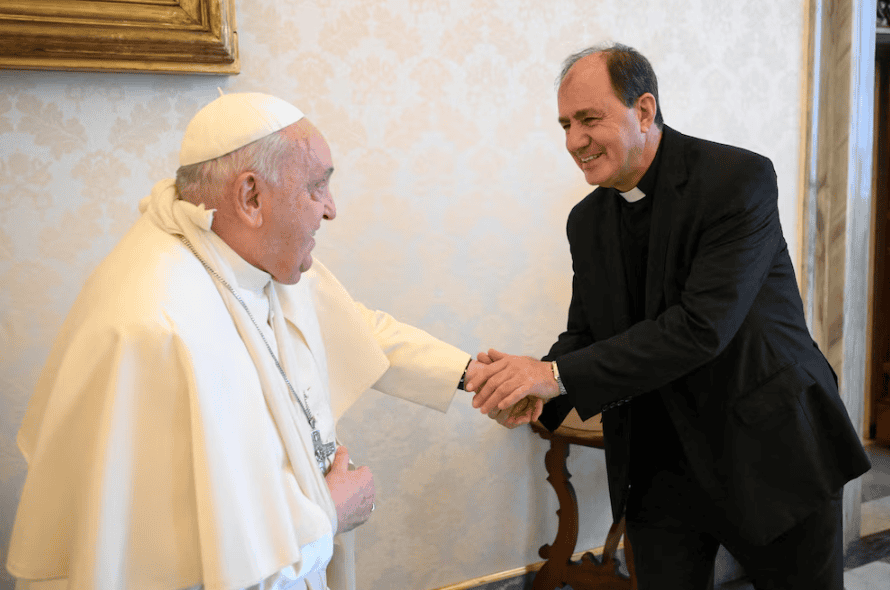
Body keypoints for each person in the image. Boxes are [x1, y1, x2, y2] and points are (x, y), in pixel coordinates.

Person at [6, 92, 486, 590]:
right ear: (251, 198)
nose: (331, 210)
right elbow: (178, 565)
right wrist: (328, 515)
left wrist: (471, 374)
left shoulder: (234, 249)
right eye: (318, 188)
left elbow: (354, 326)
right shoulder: (159, 325)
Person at [468, 43, 872, 589]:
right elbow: (585, 333)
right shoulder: (585, 222)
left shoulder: (737, 179)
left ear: (644, 110)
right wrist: (534, 385)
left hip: (771, 448)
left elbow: (700, 328)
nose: (573, 141)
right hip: (659, 466)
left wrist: (554, 374)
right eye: (565, 124)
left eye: (590, 119)